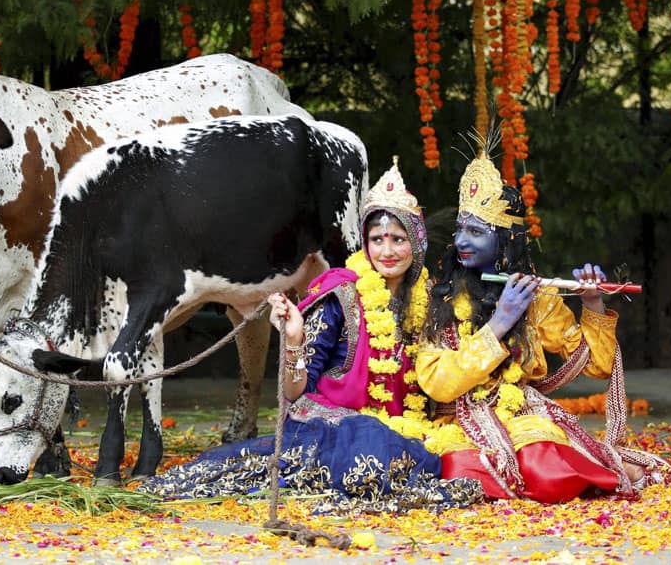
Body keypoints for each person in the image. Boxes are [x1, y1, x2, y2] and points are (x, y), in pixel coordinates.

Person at [140, 158, 483, 514]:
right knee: (371, 448)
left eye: (398, 239)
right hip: (331, 426)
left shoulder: (431, 301)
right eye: (377, 239)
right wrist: (293, 338)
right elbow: (294, 392)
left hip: (405, 427)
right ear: (365, 244)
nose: (387, 251)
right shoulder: (340, 295)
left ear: (416, 242)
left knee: (420, 456)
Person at [414, 148, 671, 503]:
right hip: (458, 421)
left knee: (547, 471)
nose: (462, 240)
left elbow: (598, 367)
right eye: (461, 228)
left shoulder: (536, 297)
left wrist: (592, 304)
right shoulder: (439, 297)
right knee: (460, 473)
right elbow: (437, 384)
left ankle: (580, 471)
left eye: (476, 231)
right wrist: (500, 322)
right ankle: (536, 477)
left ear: (505, 241)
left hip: (523, 417)